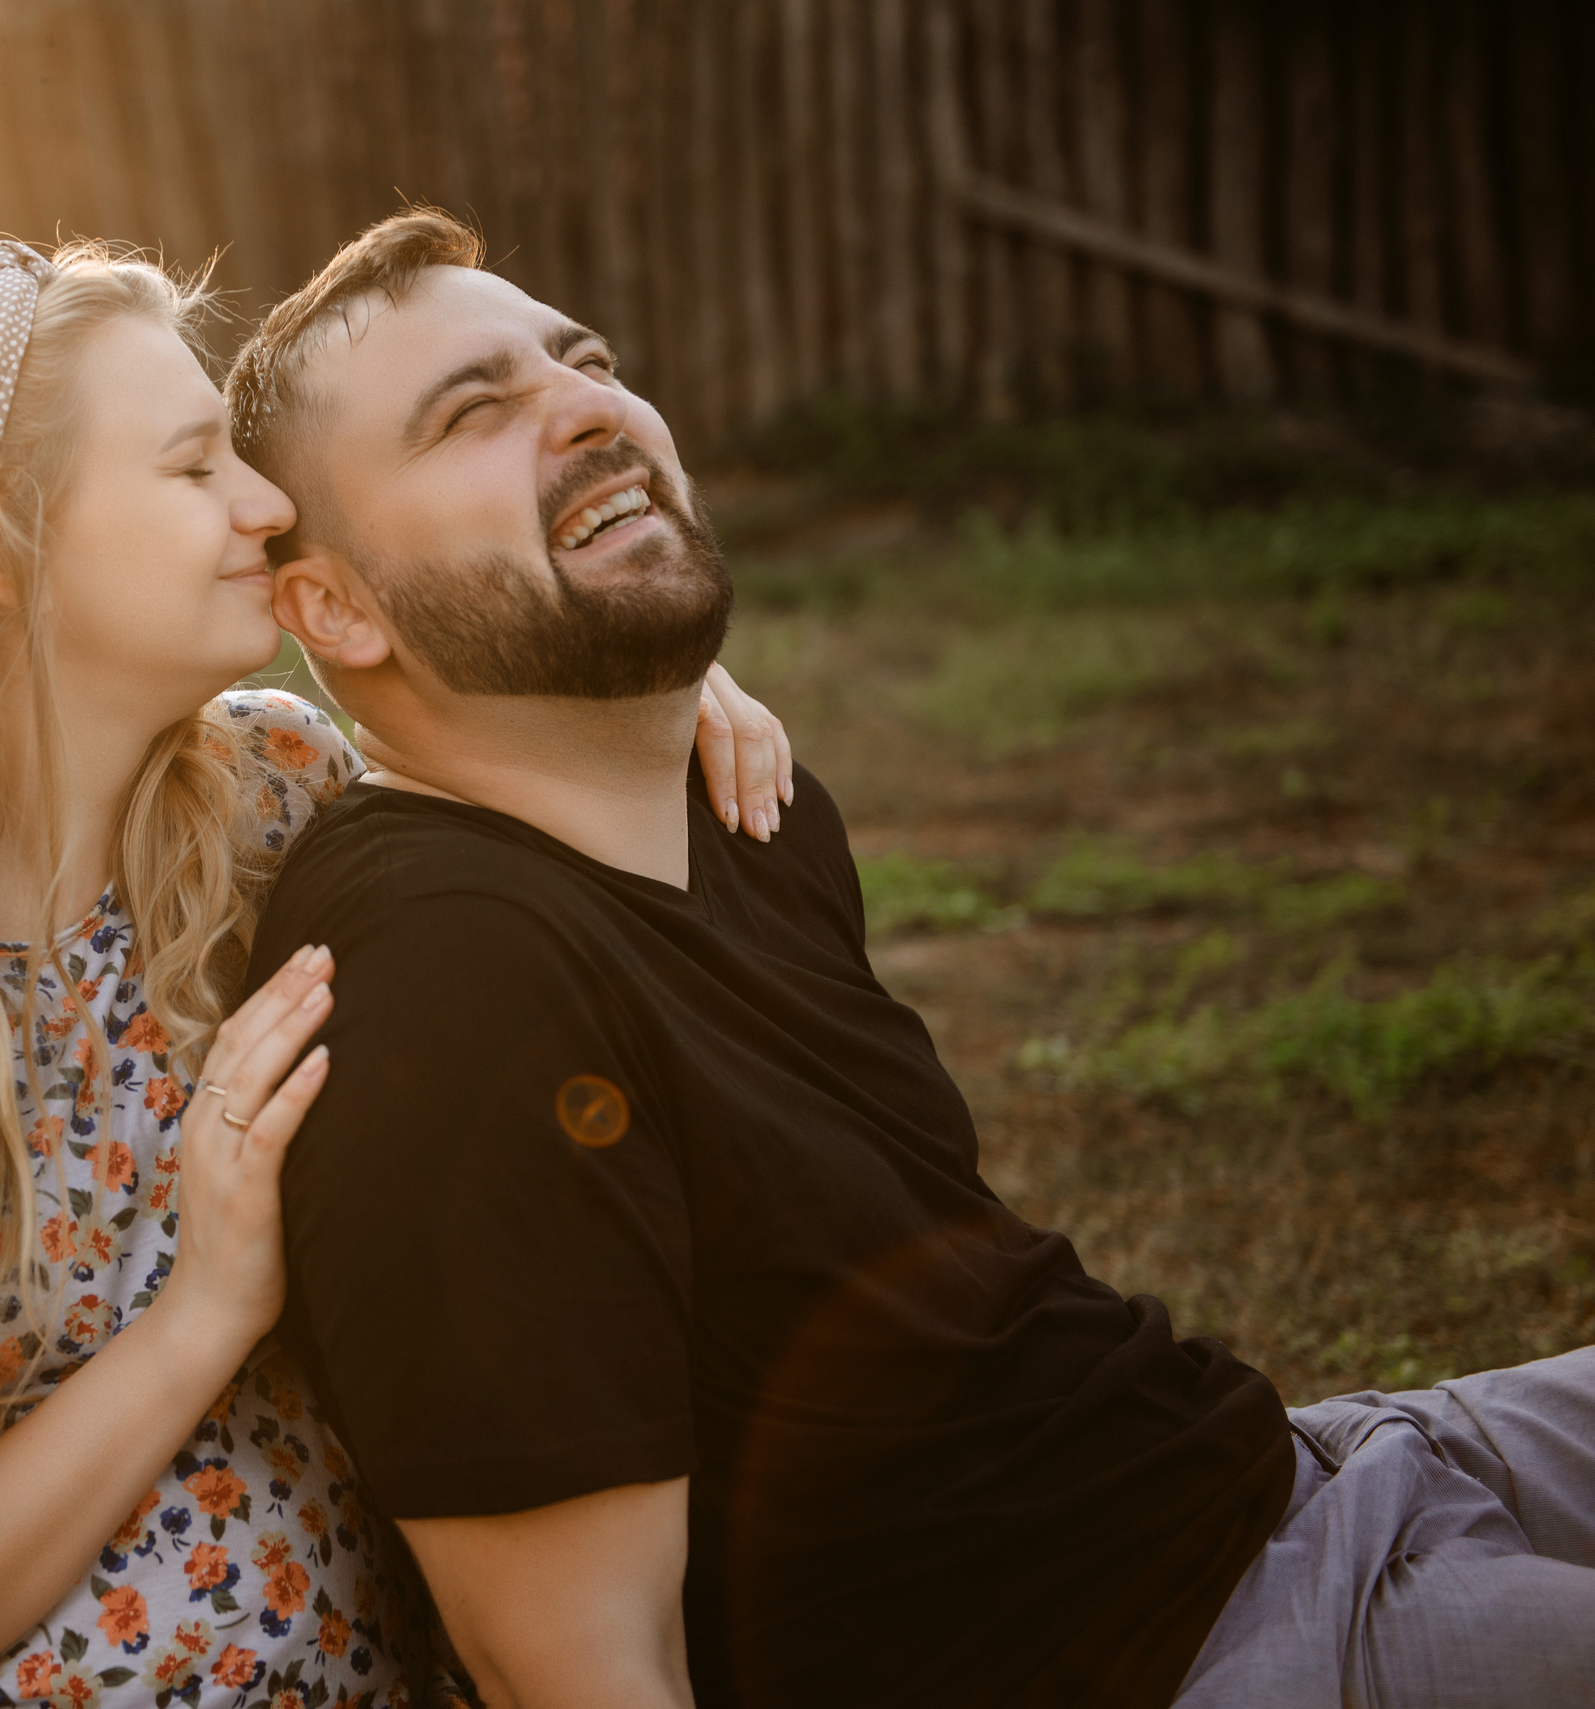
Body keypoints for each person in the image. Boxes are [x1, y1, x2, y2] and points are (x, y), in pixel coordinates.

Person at [230, 210, 1595, 1709]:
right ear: (334, 608)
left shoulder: (743, 808)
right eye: (472, 412)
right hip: (1194, 1655)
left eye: (586, 357)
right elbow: (574, 1664)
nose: (590, 404)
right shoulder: (444, 983)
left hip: (1303, 1466)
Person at [0, 237, 791, 1709]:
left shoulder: (272, 801)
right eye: (194, 465)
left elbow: (503, 737)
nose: (269, 504)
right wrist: (199, 1316)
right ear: (0, 547)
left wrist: (665, 686)